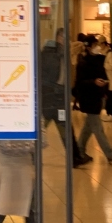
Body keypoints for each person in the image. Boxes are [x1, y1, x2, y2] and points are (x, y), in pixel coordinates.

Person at [39, 29, 89, 166]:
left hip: (58, 97)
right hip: (51, 97)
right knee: (47, 127)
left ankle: (75, 157)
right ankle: (31, 154)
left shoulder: (61, 54)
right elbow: (52, 75)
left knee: (64, 127)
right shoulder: (49, 54)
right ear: (59, 38)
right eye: (66, 38)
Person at [73, 38, 112, 164]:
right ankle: (110, 154)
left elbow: (103, 75)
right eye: (95, 44)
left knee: (88, 127)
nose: (98, 47)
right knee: (97, 128)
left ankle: (79, 151)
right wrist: (93, 82)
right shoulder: (83, 63)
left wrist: (104, 89)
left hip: (97, 96)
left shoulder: (100, 60)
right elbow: (80, 82)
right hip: (88, 98)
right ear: (89, 47)